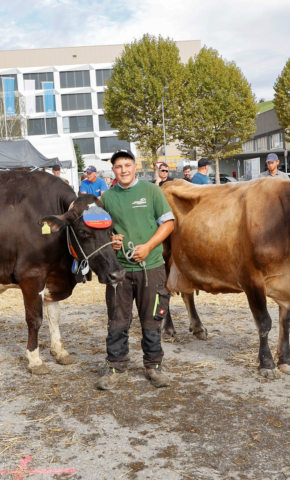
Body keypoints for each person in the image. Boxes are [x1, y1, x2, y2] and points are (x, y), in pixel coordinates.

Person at [97, 149, 175, 390]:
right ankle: (116, 368)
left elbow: (169, 223)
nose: (124, 170)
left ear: (134, 166)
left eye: (127, 165)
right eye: (119, 166)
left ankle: (153, 367)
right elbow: (99, 230)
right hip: (119, 270)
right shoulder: (107, 198)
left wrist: (149, 245)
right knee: (117, 320)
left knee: (152, 319)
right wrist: (112, 239)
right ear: (114, 171)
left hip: (151, 267)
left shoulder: (152, 191)